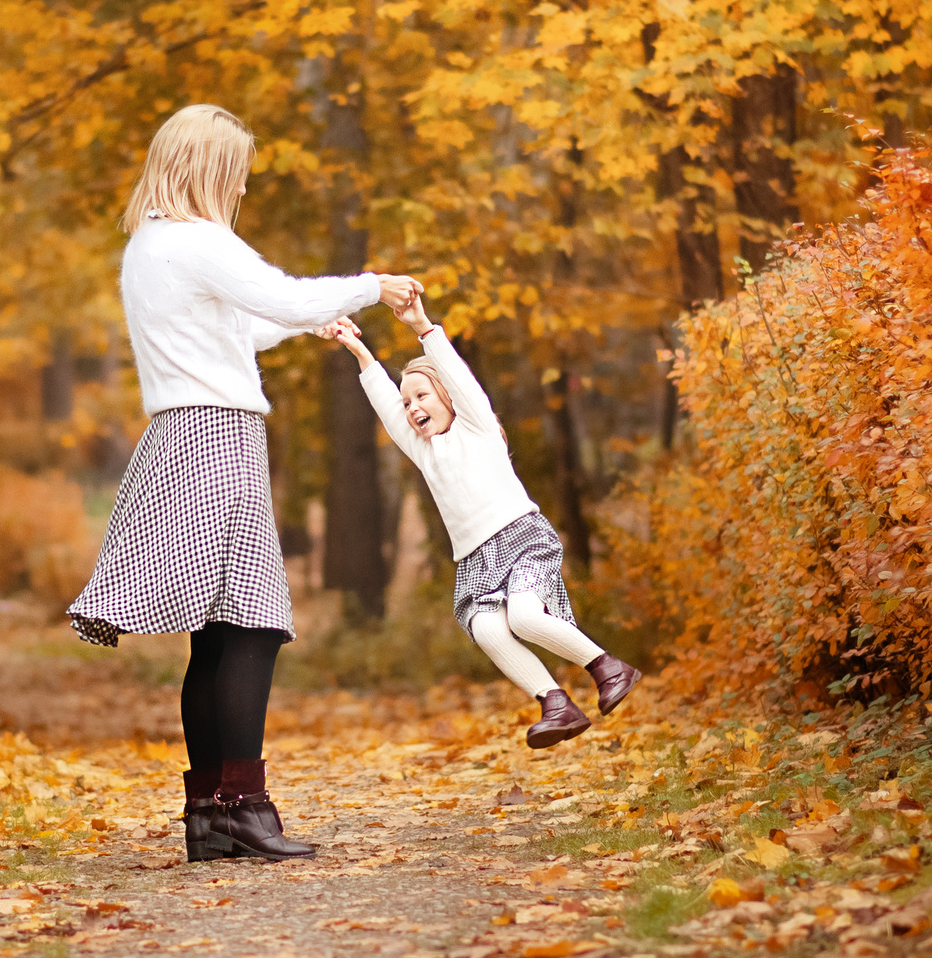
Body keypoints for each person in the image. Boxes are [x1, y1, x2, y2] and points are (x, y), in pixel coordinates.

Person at [68, 104, 424, 861]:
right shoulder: (199, 241)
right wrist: (370, 286)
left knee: (221, 631)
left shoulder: (151, 246)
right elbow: (285, 296)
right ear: (209, 169)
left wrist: (308, 323)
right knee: (253, 623)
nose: (240, 190)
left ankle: (211, 815)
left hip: (184, 432)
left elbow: (245, 326)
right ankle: (245, 807)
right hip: (216, 436)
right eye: (236, 175)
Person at [323, 296, 641, 749]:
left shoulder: (477, 427)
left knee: (527, 618)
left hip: (521, 539)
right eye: (407, 401)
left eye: (421, 396)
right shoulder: (425, 452)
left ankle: (608, 667)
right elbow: (387, 408)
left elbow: (455, 373)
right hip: (475, 560)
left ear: (447, 397)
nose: (411, 407)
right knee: (490, 630)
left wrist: (423, 326)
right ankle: (556, 704)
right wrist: (360, 351)